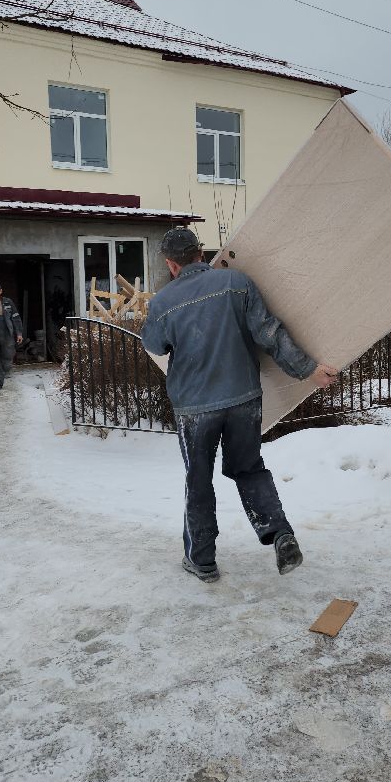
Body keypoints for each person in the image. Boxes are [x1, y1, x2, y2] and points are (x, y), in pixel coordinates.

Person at [141, 228, 338, 583]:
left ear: (171, 264)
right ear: (201, 254)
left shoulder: (162, 303)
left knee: (198, 480)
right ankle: (280, 534)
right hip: (244, 398)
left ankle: (201, 560)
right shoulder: (237, 282)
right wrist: (308, 369)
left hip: (195, 407)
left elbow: (155, 346)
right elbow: (269, 333)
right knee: (248, 469)